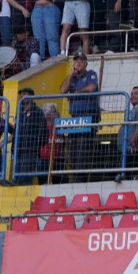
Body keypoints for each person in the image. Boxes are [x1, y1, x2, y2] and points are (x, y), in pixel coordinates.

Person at [59, 52, 100, 181]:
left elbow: (92, 87)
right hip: (75, 117)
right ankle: (75, 174)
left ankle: (80, 177)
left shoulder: (90, 74)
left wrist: (77, 92)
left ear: (86, 64)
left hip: (88, 115)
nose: (78, 63)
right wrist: (70, 74)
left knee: (83, 148)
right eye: (76, 61)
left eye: (81, 61)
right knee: (72, 149)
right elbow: (62, 90)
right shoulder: (71, 78)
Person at [13, 86, 47, 185]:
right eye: (21, 94)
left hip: (30, 152)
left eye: (25, 94)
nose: (21, 96)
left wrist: (34, 146)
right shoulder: (19, 113)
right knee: (17, 180)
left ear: (31, 98)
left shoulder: (38, 112)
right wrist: (13, 149)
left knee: (26, 180)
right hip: (18, 152)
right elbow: (16, 131)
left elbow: (43, 132)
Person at [117, 86, 138, 182]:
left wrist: (132, 140)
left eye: (136, 93)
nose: (132, 95)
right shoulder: (133, 110)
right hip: (127, 151)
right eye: (131, 93)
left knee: (131, 178)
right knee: (126, 178)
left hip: (134, 151)